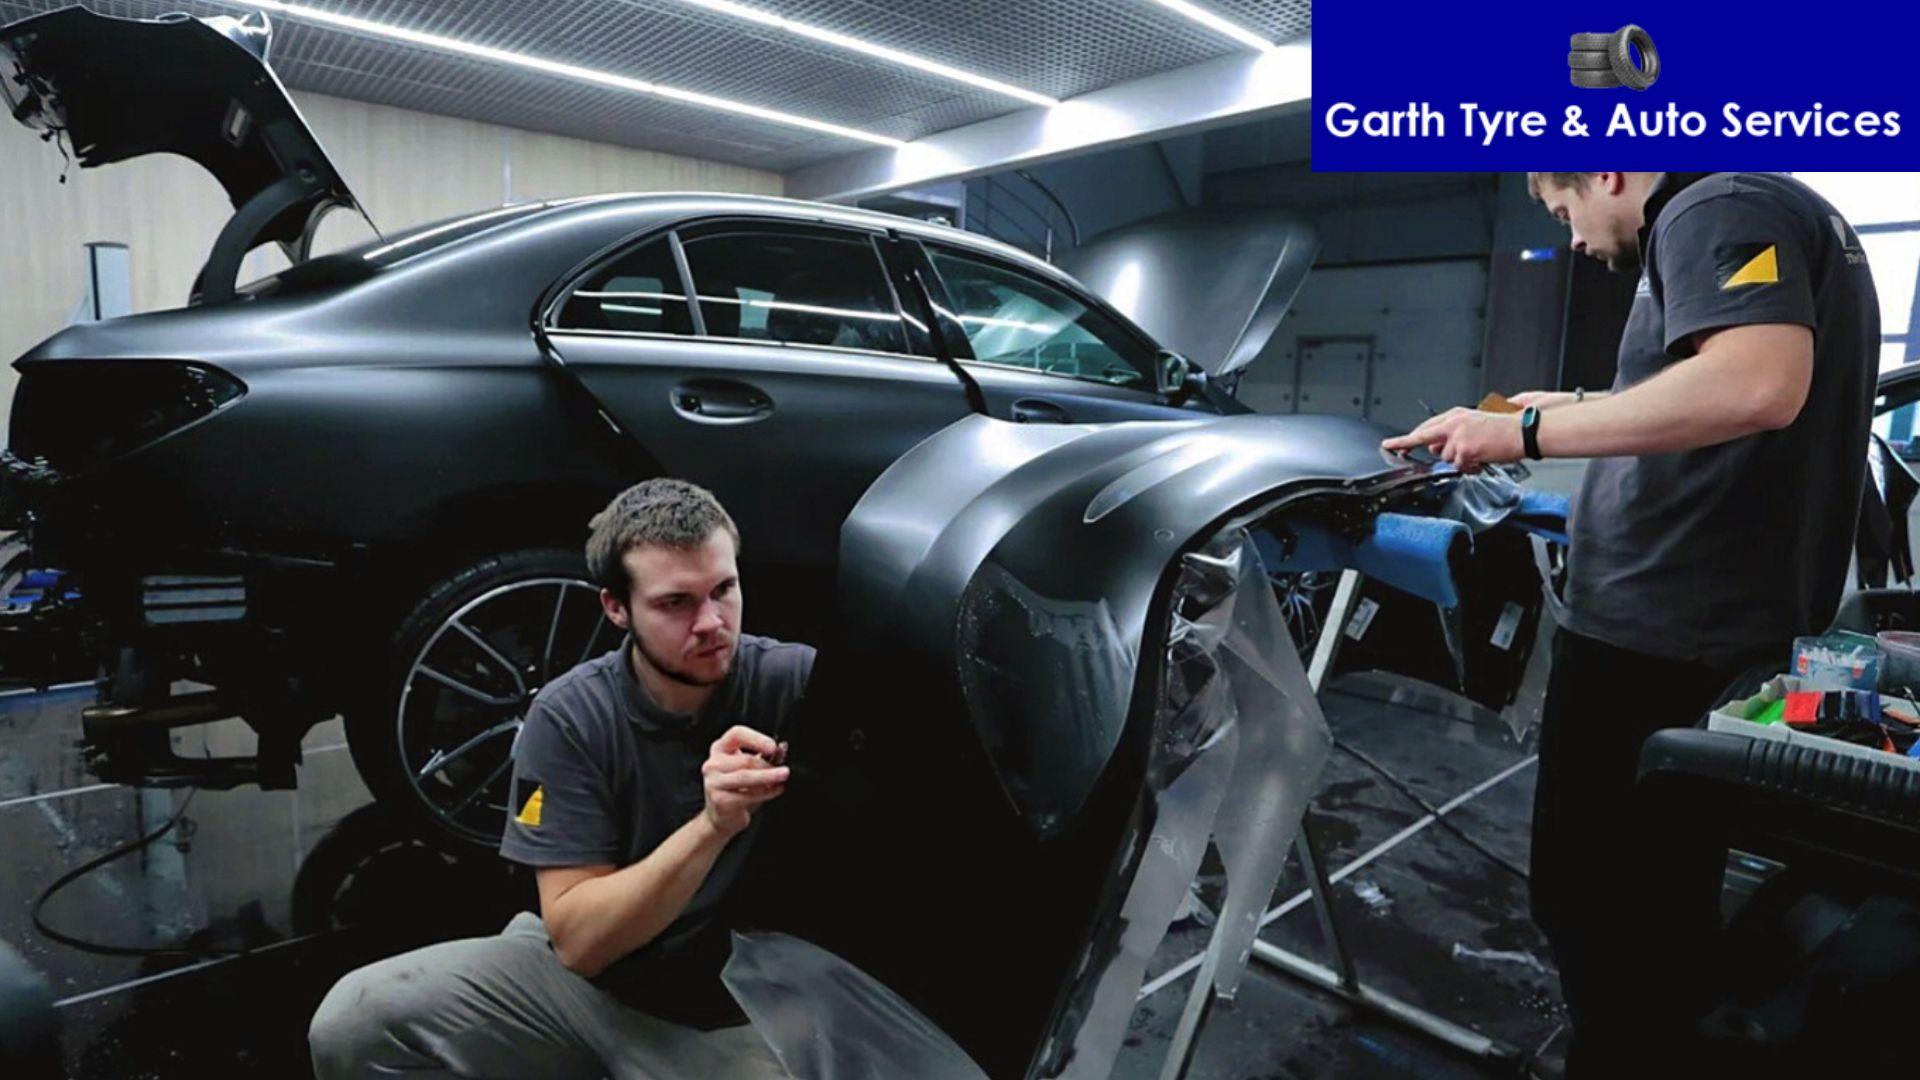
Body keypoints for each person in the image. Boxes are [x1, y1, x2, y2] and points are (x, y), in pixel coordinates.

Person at [1383, 172, 1878, 1070]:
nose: (1573, 241)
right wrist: (1545, 408)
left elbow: (1758, 384)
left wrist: (1523, 438)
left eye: (1565, 212)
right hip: (1701, 622)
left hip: (1658, 635)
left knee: (1597, 903)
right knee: (1659, 898)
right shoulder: (1766, 206)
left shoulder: (1714, 205)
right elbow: (1703, 387)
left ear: (1606, 170)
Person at [309, 479, 813, 1079]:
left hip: (734, 1017)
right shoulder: (569, 716)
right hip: (588, 988)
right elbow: (579, 942)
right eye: (675, 603)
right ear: (616, 608)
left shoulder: (795, 683)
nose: (711, 622)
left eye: (723, 589)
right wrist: (712, 826)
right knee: (353, 1021)